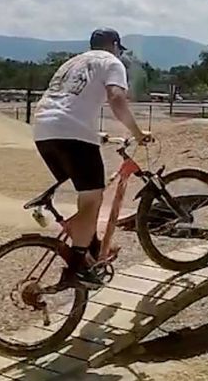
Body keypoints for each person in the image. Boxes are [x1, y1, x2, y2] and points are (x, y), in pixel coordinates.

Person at [32, 28, 151, 289]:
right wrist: (137, 133)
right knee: (92, 200)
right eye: (120, 49)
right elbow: (117, 99)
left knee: (86, 195)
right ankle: (76, 270)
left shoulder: (72, 62)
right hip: (70, 133)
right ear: (115, 45)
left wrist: (95, 134)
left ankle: (93, 253)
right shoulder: (112, 62)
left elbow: (67, 101)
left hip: (43, 130)